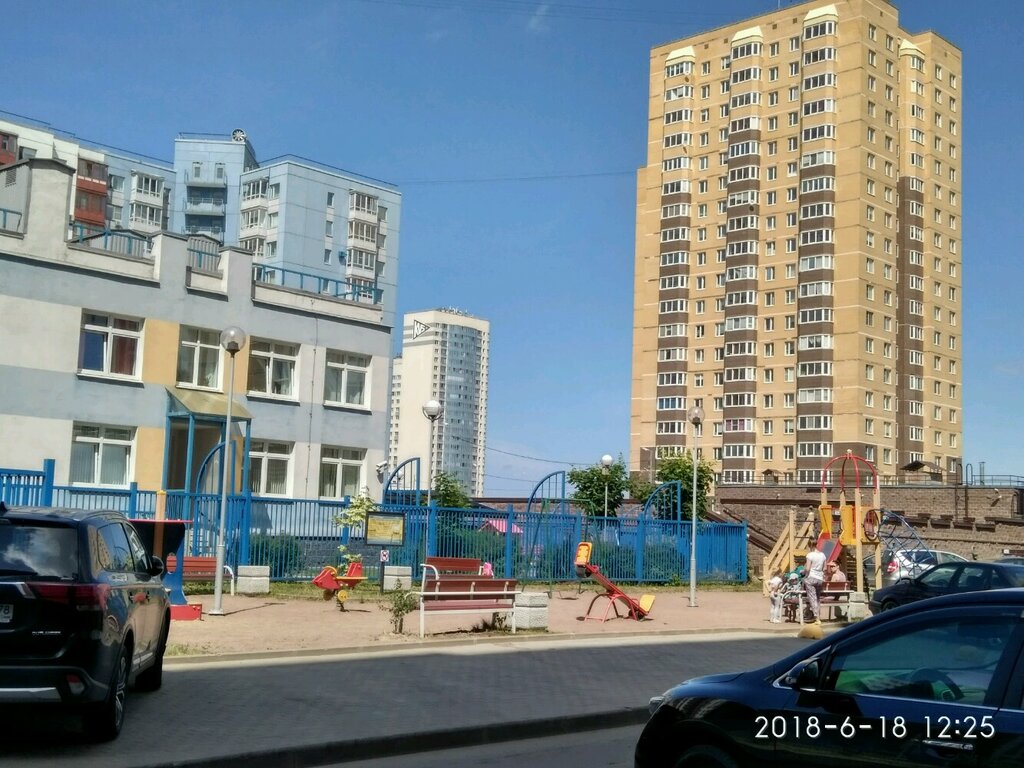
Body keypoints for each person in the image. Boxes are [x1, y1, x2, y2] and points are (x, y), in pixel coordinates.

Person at [803, 547, 826, 622]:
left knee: (812, 598)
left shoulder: (810, 555)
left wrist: (804, 574)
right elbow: (824, 568)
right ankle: (817, 615)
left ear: (810, 546)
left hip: (811, 577)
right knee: (817, 598)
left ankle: (817, 617)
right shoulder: (823, 555)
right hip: (819, 578)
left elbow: (807, 568)